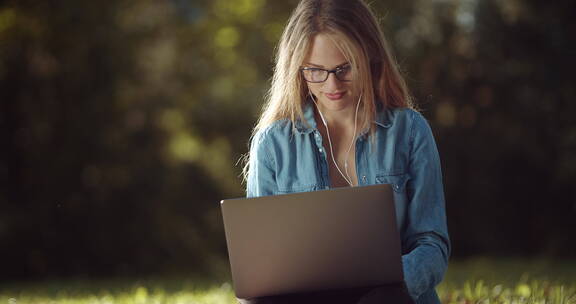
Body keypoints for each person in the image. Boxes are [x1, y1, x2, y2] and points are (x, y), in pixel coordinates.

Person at [242, 0, 450, 303]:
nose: (332, 84)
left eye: (344, 68)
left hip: (389, 295)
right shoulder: (272, 144)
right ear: (296, 70)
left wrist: (392, 276)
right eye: (315, 71)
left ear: (371, 57)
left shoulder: (410, 132)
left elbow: (432, 245)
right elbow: (259, 263)